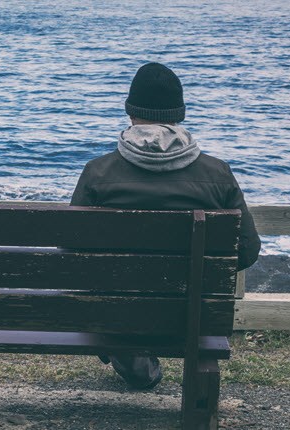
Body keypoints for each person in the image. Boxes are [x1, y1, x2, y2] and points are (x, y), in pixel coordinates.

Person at [70, 62, 261, 390]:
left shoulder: (98, 174)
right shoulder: (217, 175)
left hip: (116, 317)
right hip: (191, 318)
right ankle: (138, 361)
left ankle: (132, 359)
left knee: (114, 304)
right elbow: (246, 250)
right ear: (179, 115)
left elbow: (71, 249)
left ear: (130, 113)